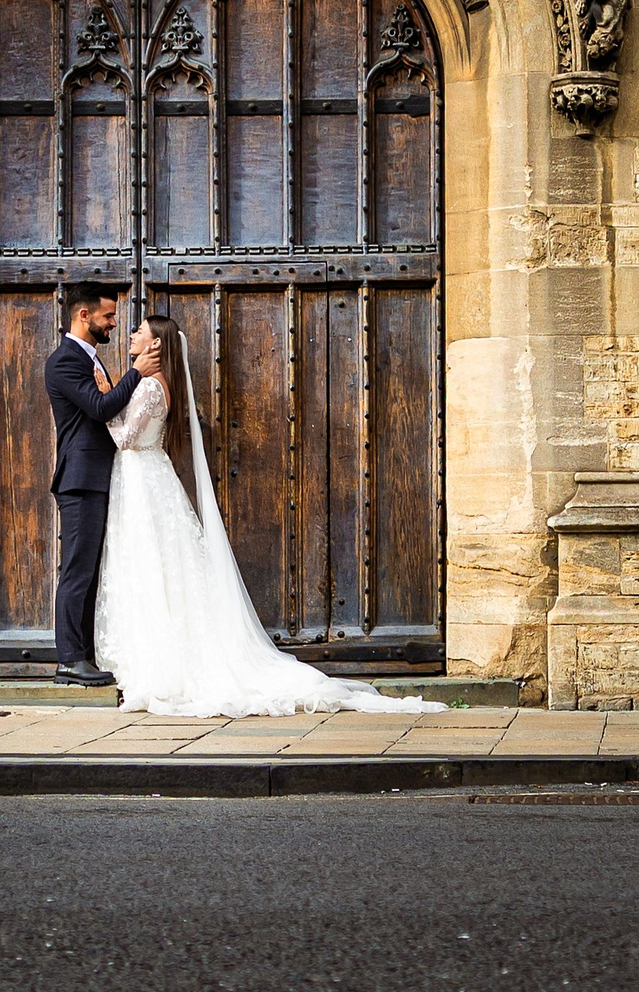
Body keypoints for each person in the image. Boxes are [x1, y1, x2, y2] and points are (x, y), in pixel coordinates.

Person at [94, 314, 437, 716]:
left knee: (152, 566)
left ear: (156, 346)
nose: (132, 335)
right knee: (158, 569)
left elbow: (124, 437)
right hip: (145, 479)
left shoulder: (151, 385)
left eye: (140, 332)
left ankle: (162, 666)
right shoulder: (153, 383)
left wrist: (105, 401)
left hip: (143, 480)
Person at [43, 284, 159, 686]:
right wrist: (136, 373)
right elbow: (98, 409)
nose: (114, 323)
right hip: (80, 480)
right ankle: (70, 660)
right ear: (83, 316)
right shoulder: (64, 361)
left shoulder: (89, 359)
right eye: (108, 316)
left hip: (98, 478)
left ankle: (86, 655)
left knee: (90, 571)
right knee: (77, 570)